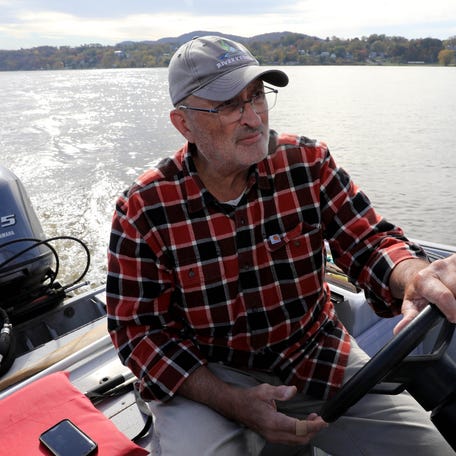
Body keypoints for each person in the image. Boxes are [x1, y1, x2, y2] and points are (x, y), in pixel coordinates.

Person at [106, 35, 456, 455]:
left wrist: (415, 275)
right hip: (209, 376)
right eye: (230, 105)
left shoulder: (308, 163)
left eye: (257, 97)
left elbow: (368, 240)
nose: (254, 118)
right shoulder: (144, 207)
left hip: (315, 355)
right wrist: (232, 401)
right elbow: (137, 330)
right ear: (184, 123)